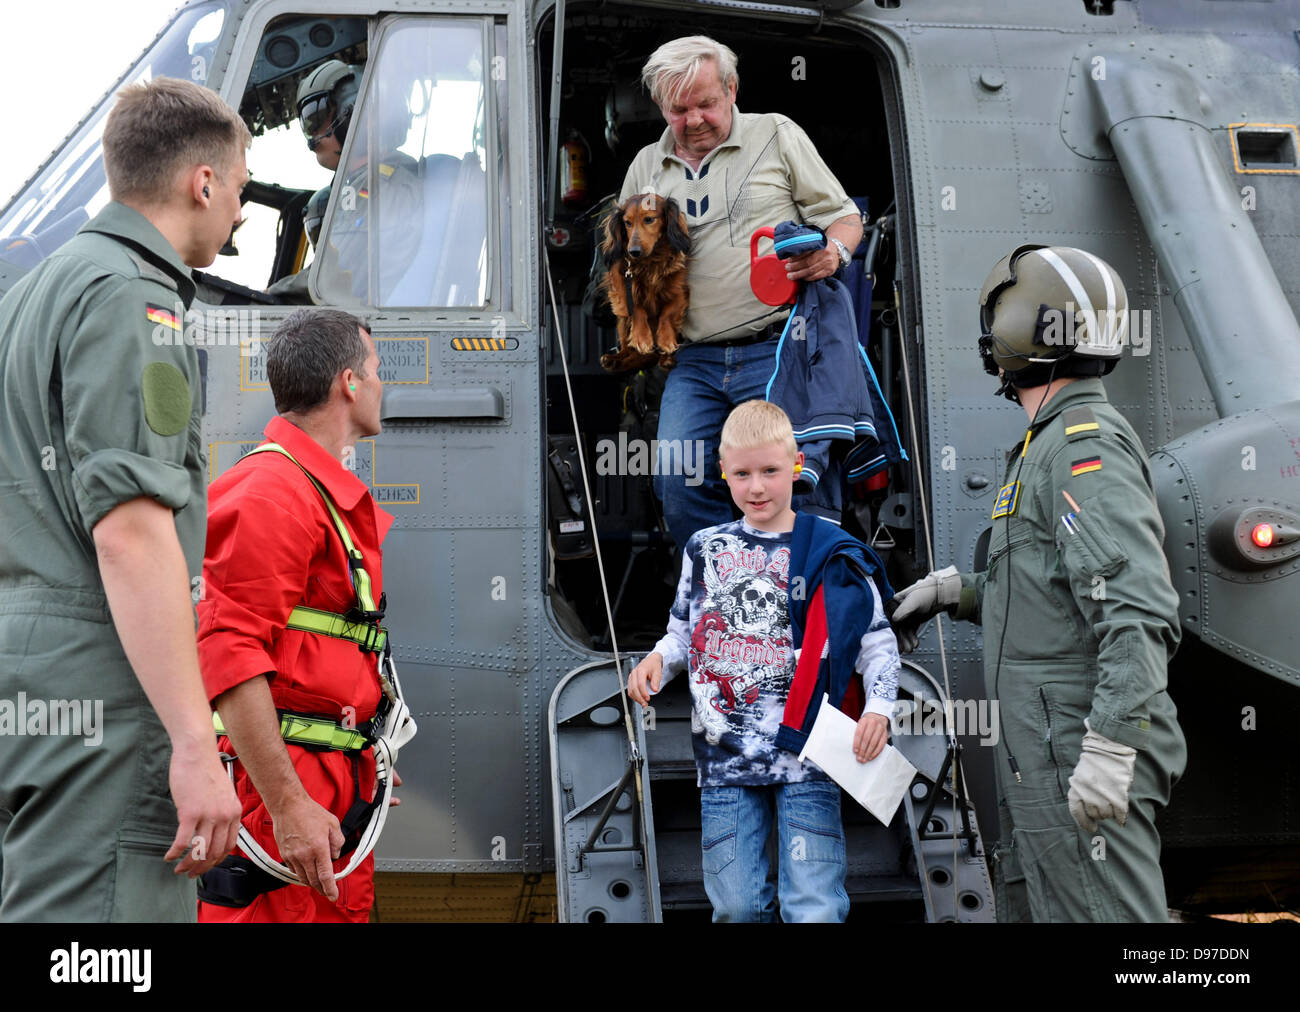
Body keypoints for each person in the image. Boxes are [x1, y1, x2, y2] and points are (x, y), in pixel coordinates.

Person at [0, 78, 247, 921]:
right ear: (203, 183)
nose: (242, 216)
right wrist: (190, 740)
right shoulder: (131, 298)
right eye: (242, 189)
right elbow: (132, 533)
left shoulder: (30, 296)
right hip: (103, 677)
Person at [890, 245, 1187, 922]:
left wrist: (1111, 746)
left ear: (1018, 333)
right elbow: (1054, 584)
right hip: (1044, 759)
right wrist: (958, 592)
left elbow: (1137, 611)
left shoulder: (1081, 448)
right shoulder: (1046, 445)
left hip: (1078, 757)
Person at [627, 400, 899, 922]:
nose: (757, 487)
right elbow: (682, 631)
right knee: (736, 907)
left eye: (770, 471)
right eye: (742, 474)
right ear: (723, 474)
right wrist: (659, 659)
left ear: (796, 467)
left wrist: (880, 708)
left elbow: (877, 641)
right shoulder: (704, 548)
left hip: (810, 755)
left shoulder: (832, 550)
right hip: (724, 760)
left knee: (815, 907)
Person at [195, 308, 412, 922]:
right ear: (348, 383)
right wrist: (288, 803)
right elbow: (229, 651)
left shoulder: (312, 494)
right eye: (374, 371)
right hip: (280, 796)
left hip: (323, 785)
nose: (379, 385)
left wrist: (354, 750)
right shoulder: (273, 492)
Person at [618, 36, 864, 552]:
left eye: (706, 103)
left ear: (731, 89)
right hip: (693, 359)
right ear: (662, 106)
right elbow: (625, 255)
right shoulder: (645, 164)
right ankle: (721, 599)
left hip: (778, 347)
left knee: (787, 484)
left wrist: (832, 255)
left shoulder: (775, 133)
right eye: (678, 109)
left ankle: (789, 602)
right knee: (677, 479)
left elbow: (843, 217)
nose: (694, 120)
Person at [286, 60, 423, 305]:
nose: (312, 134)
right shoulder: (369, 183)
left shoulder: (386, 185)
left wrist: (268, 294)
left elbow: (335, 277)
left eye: (315, 116)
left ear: (358, 117)